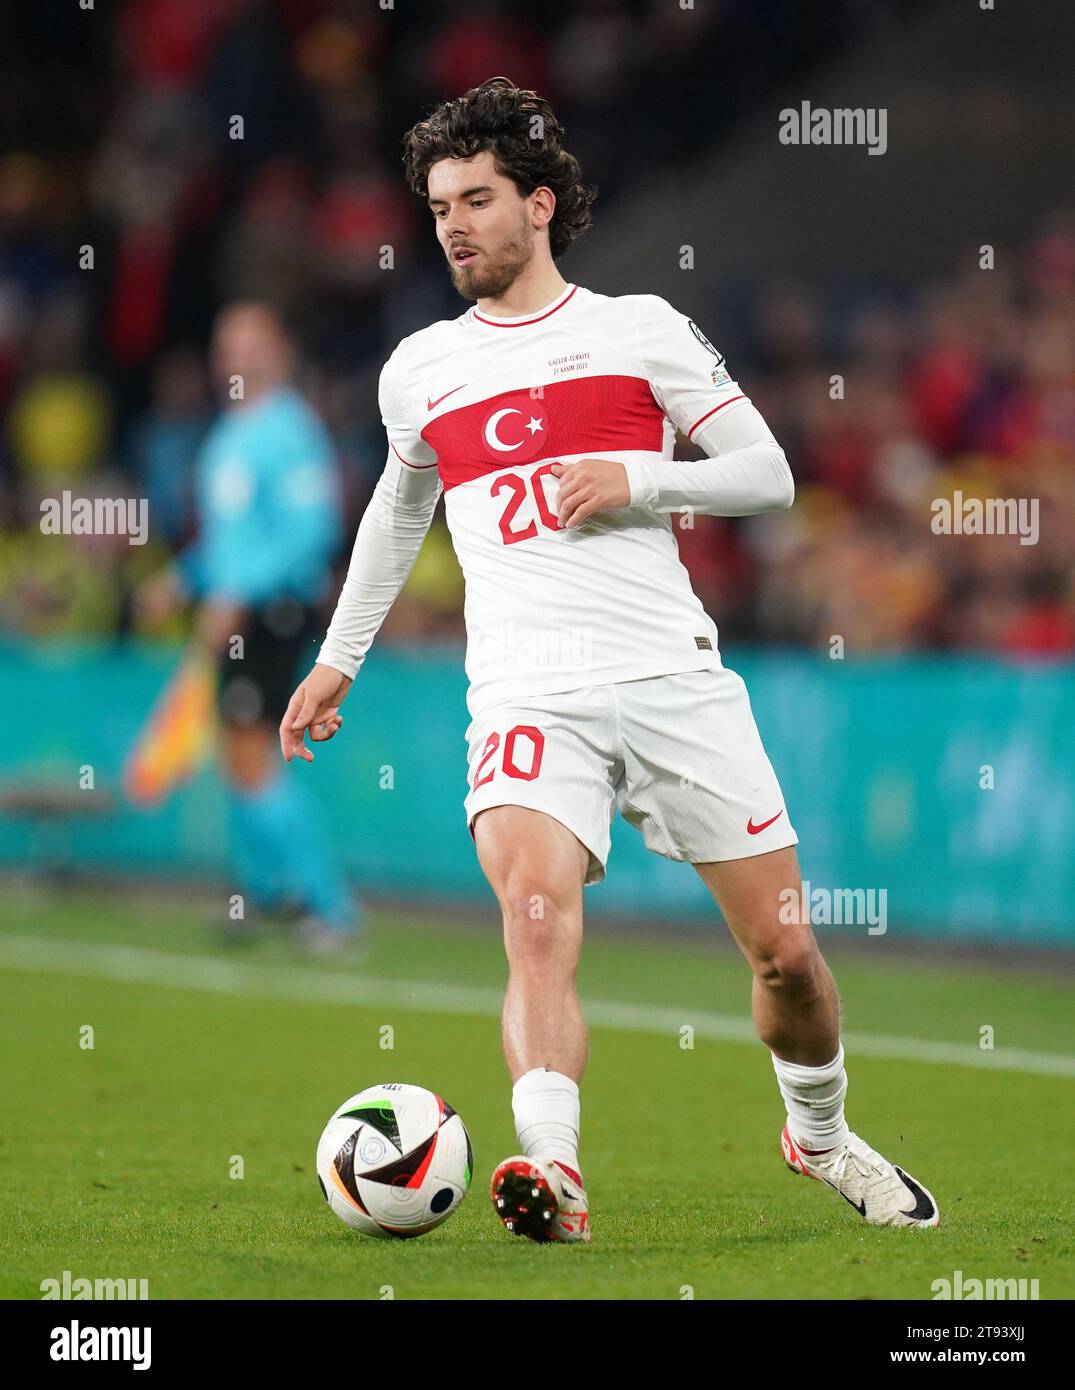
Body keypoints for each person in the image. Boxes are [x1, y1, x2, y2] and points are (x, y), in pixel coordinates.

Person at [280, 79, 937, 1236]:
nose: (453, 223)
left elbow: (767, 473)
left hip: (670, 675)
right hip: (528, 687)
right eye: (438, 205)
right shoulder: (420, 366)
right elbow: (395, 512)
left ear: (538, 204)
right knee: (535, 916)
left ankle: (820, 1134)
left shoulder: (638, 329)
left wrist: (644, 479)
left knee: (785, 952)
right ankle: (556, 1171)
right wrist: (341, 656)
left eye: (476, 198)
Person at [142, 302, 361, 953]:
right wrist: (182, 579)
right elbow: (229, 539)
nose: (235, 357)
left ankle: (330, 908)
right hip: (234, 610)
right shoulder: (230, 434)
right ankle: (265, 893)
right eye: (226, 345)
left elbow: (311, 532)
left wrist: (239, 593)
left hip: (272, 614)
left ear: (279, 353)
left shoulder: (290, 428)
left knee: (249, 754)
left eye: (249, 344)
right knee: (239, 754)